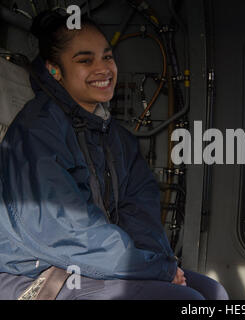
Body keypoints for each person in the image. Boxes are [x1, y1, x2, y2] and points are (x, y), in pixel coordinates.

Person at [0, 10, 228, 300]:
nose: (103, 69)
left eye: (107, 57)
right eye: (85, 60)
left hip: (88, 262)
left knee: (213, 291)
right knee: (185, 300)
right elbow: (62, 230)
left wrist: (161, 264)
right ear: (55, 70)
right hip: (31, 270)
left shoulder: (117, 139)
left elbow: (140, 214)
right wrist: (154, 271)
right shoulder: (37, 131)